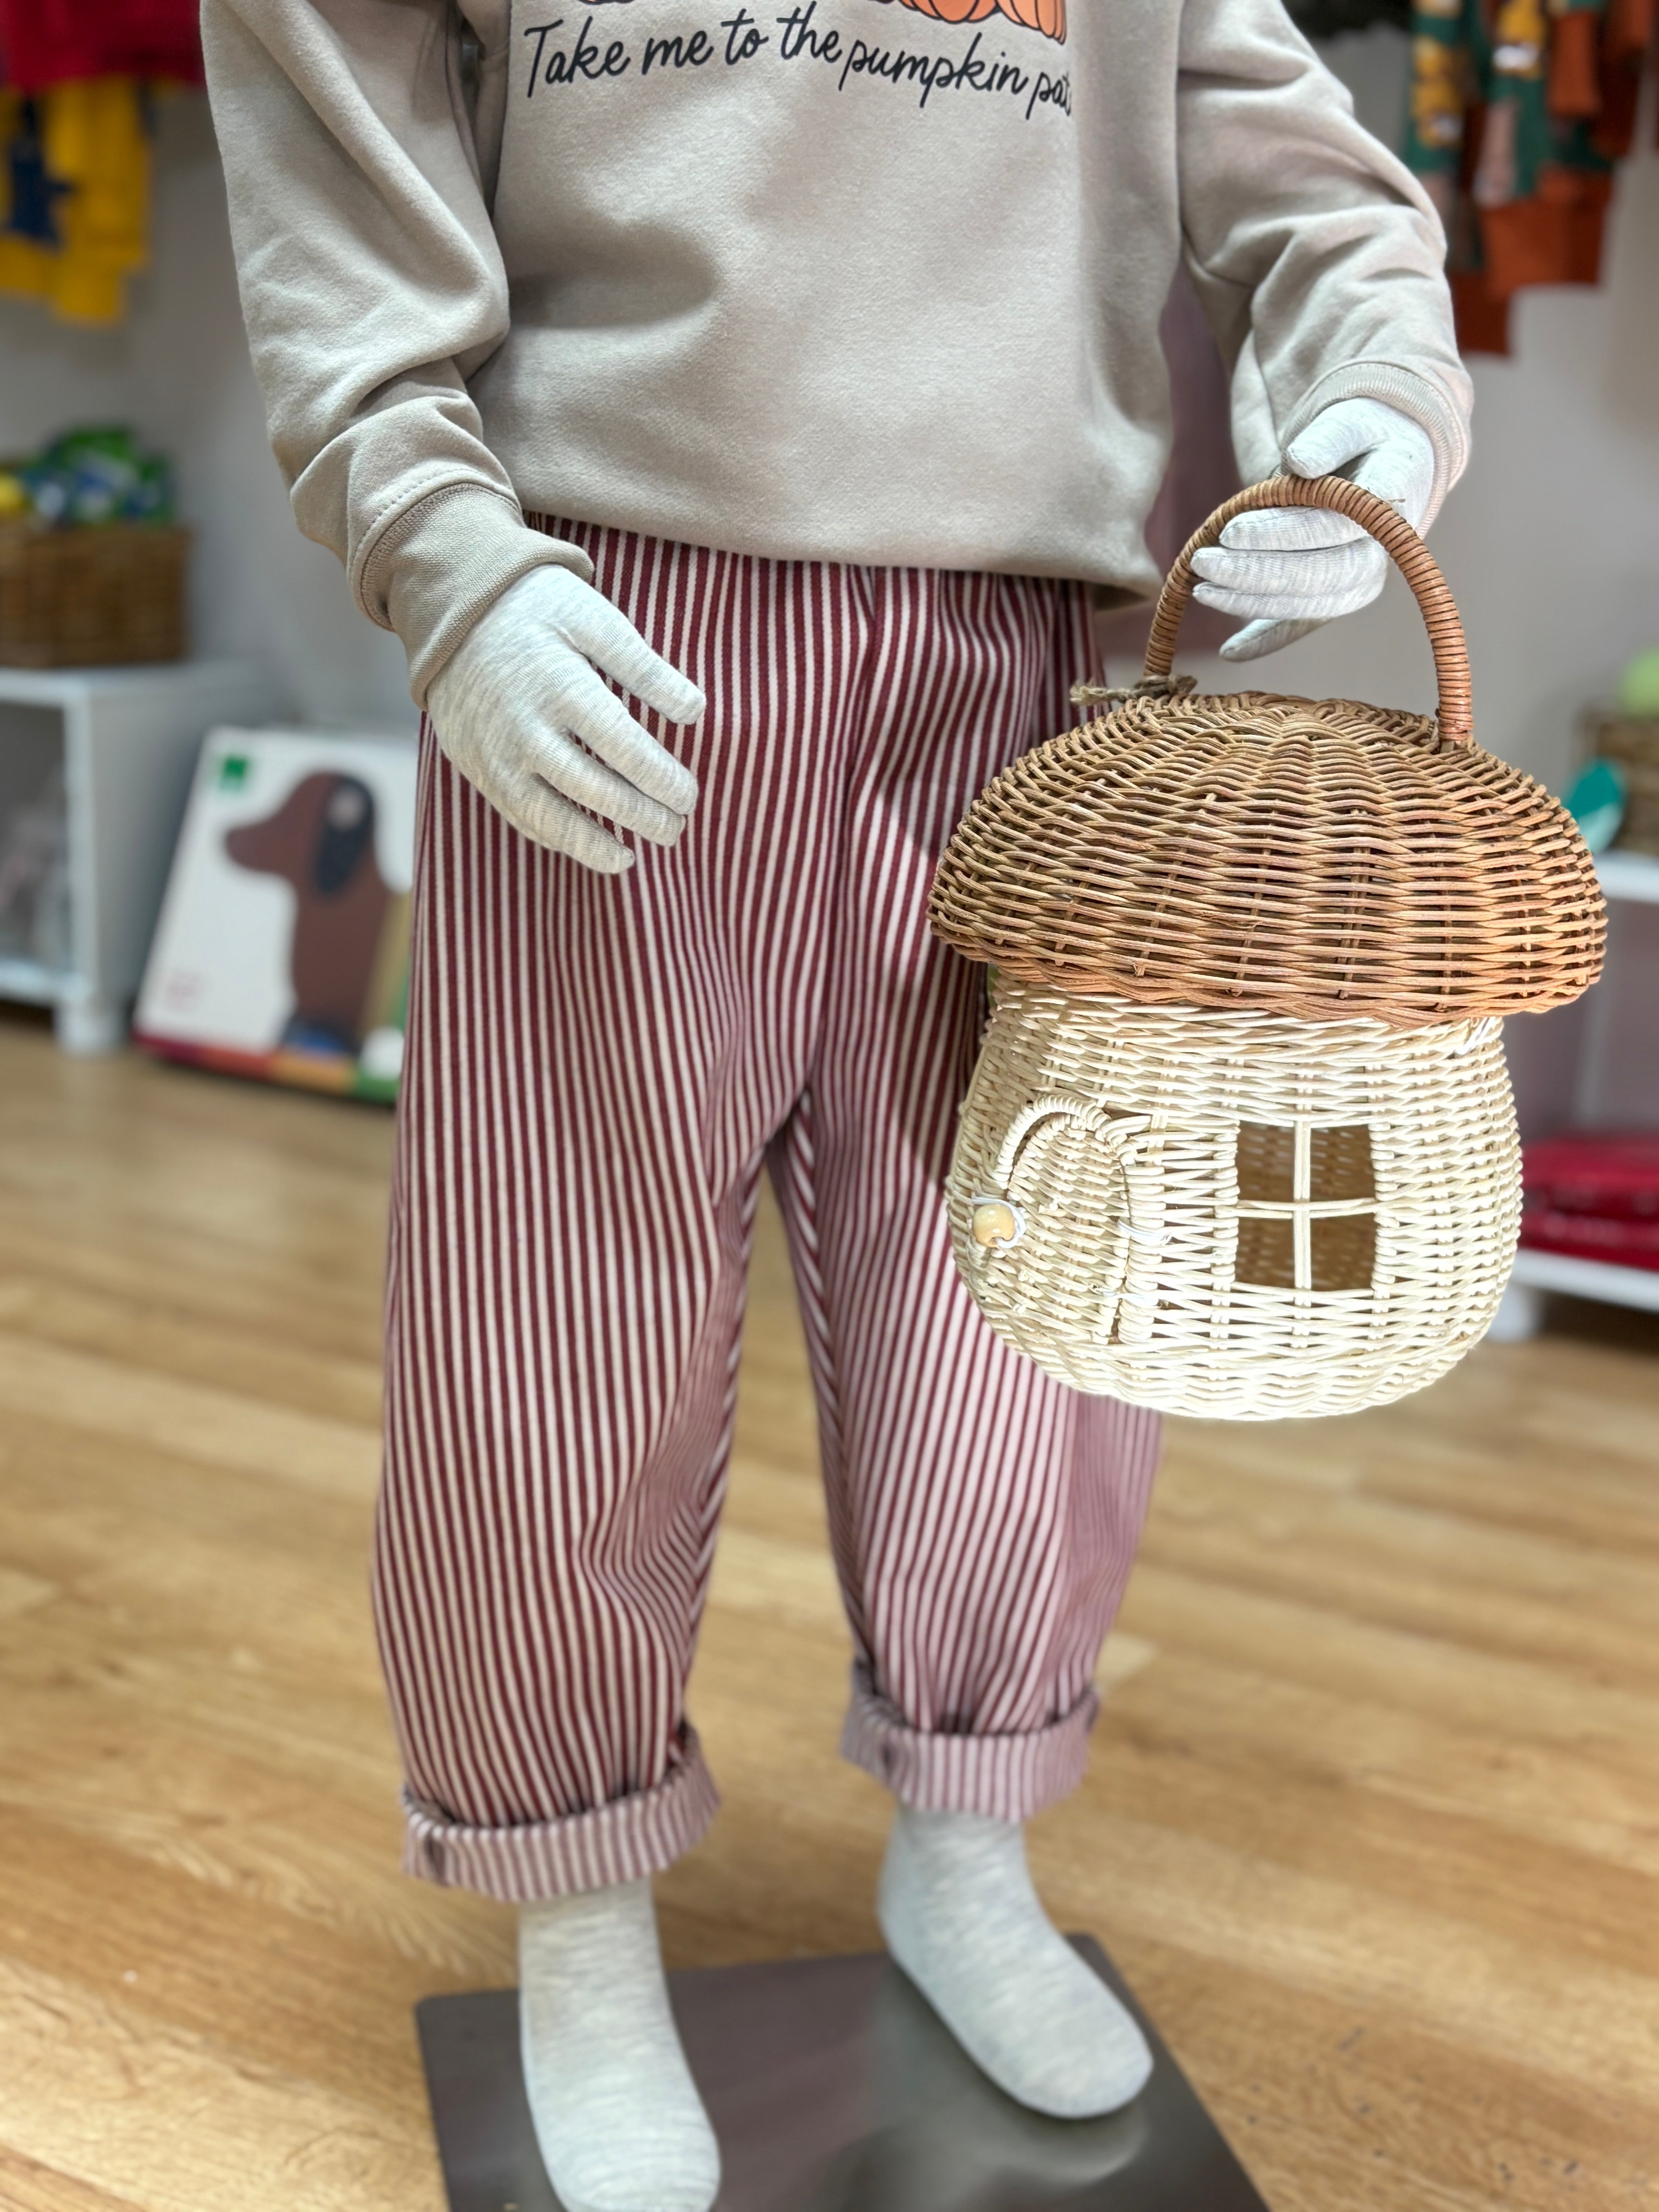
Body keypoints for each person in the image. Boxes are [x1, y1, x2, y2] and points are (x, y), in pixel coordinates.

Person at [201, 5, 1469, 2207]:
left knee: (1014, 1291)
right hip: (607, 609)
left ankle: (971, 1842)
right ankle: (575, 1909)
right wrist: (447, 556)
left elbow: (1291, 154)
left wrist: (1370, 392)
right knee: (552, 1312)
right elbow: (339, 120)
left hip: (1014, 643)